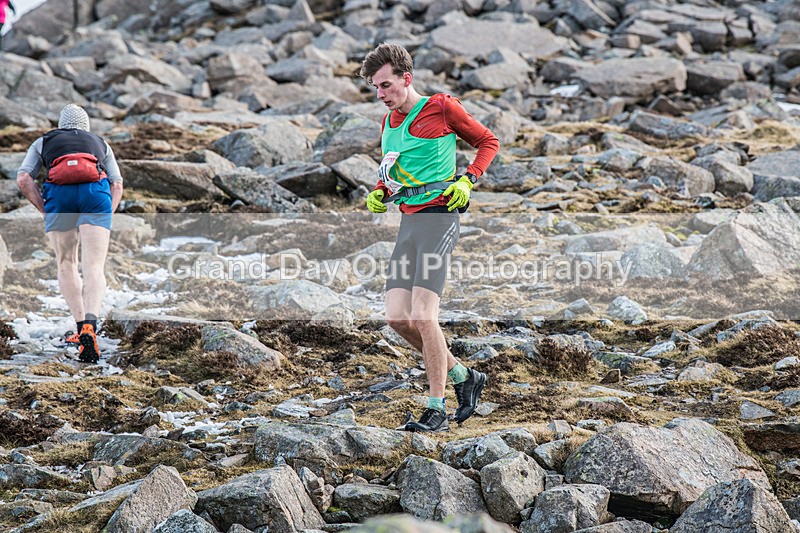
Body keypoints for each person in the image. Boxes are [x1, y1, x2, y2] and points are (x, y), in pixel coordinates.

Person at [360, 43, 500, 432]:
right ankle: (463, 377)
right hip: (409, 222)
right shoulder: (388, 122)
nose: (380, 94)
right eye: (375, 87)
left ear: (406, 79)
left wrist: (468, 180)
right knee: (396, 318)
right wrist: (379, 192)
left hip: (440, 217)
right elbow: (392, 171)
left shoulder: (441, 107)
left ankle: (436, 409)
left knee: (424, 315)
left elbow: (488, 142)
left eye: (385, 85)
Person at [16, 104, 124, 363]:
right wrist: (106, 212)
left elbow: (22, 179)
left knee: (67, 263)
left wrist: (45, 210)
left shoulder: (43, 142)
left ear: (60, 124)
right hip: (95, 197)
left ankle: (78, 329)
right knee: (94, 266)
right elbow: (117, 183)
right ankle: (90, 326)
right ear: (85, 126)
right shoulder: (100, 143)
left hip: (59, 198)